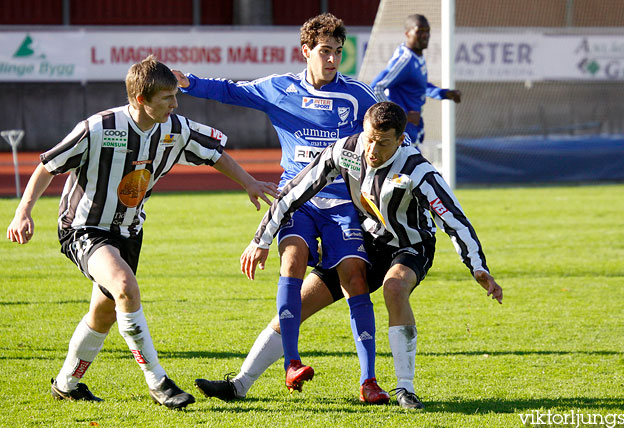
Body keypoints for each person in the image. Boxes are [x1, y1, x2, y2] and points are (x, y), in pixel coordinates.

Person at [5, 55, 277, 409]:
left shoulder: (175, 128)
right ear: (140, 100)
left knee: (104, 313)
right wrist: (22, 211)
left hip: (129, 231)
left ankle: (67, 383)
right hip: (85, 227)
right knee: (124, 288)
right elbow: (47, 166)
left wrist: (249, 182)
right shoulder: (98, 127)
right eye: (167, 99)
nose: (175, 105)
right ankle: (158, 381)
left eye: (175, 97)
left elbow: (213, 153)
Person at [174, 13, 390, 403]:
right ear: (305, 51)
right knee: (291, 260)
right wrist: (189, 83)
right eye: (324, 51)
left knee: (355, 277)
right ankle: (291, 363)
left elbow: (388, 136)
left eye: (338, 52)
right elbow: (231, 91)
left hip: (343, 204)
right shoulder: (280, 88)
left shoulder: (358, 95)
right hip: (298, 200)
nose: (332, 59)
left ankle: (369, 381)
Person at [241, 101, 503, 410]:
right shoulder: (346, 151)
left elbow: (454, 220)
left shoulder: (418, 171)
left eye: (383, 143)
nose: (372, 150)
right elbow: (295, 192)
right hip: (369, 242)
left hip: (411, 246)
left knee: (394, 288)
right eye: (369, 139)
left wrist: (477, 267)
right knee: (300, 302)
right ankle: (241, 383)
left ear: (401, 140)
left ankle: (405, 389)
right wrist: (262, 239)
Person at [370, 14, 462, 147]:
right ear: (407, 33)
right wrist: (400, 116)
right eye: (419, 31)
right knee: (412, 167)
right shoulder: (405, 60)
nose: (425, 35)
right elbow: (375, 88)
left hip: (413, 127)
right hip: (403, 130)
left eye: (427, 31)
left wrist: (444, 93)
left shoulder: (417, 57)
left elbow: (419, 86)